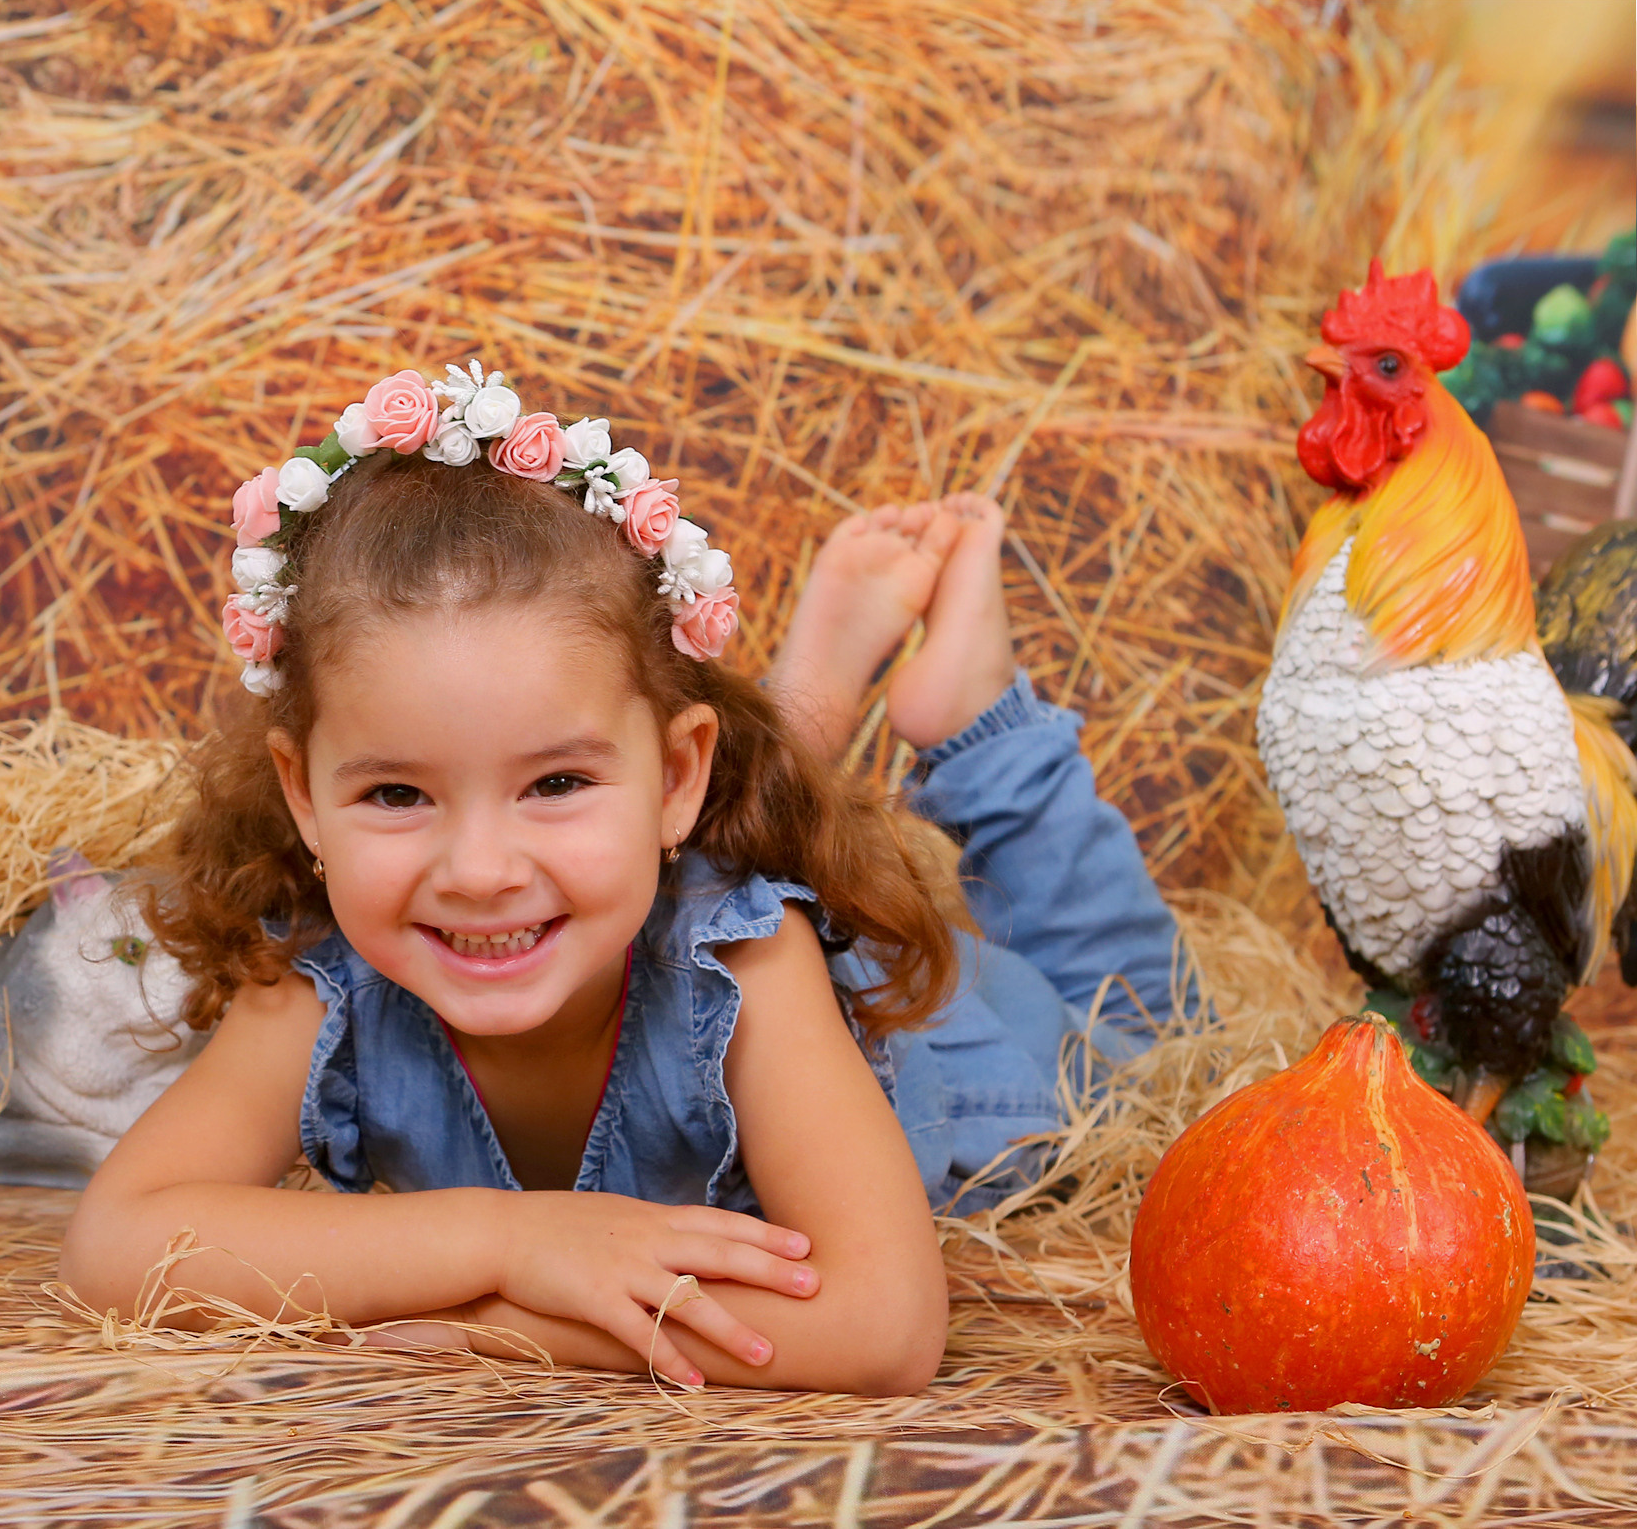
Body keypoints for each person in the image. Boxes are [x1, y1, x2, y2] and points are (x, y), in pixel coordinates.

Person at [59, 363, 1188, 1395]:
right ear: (305, 797)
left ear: (677, 777)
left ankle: (983, 725)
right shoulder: (325, 976)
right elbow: (120, 1243)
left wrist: (499, 1321)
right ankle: (800, 723)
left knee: (1151, 1028)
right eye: (397, 796)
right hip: (684, 871)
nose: (482, 872)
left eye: (554, 782)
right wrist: (508, 1241)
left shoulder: (743, 957)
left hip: (985, 1060)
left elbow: (885, 1328)